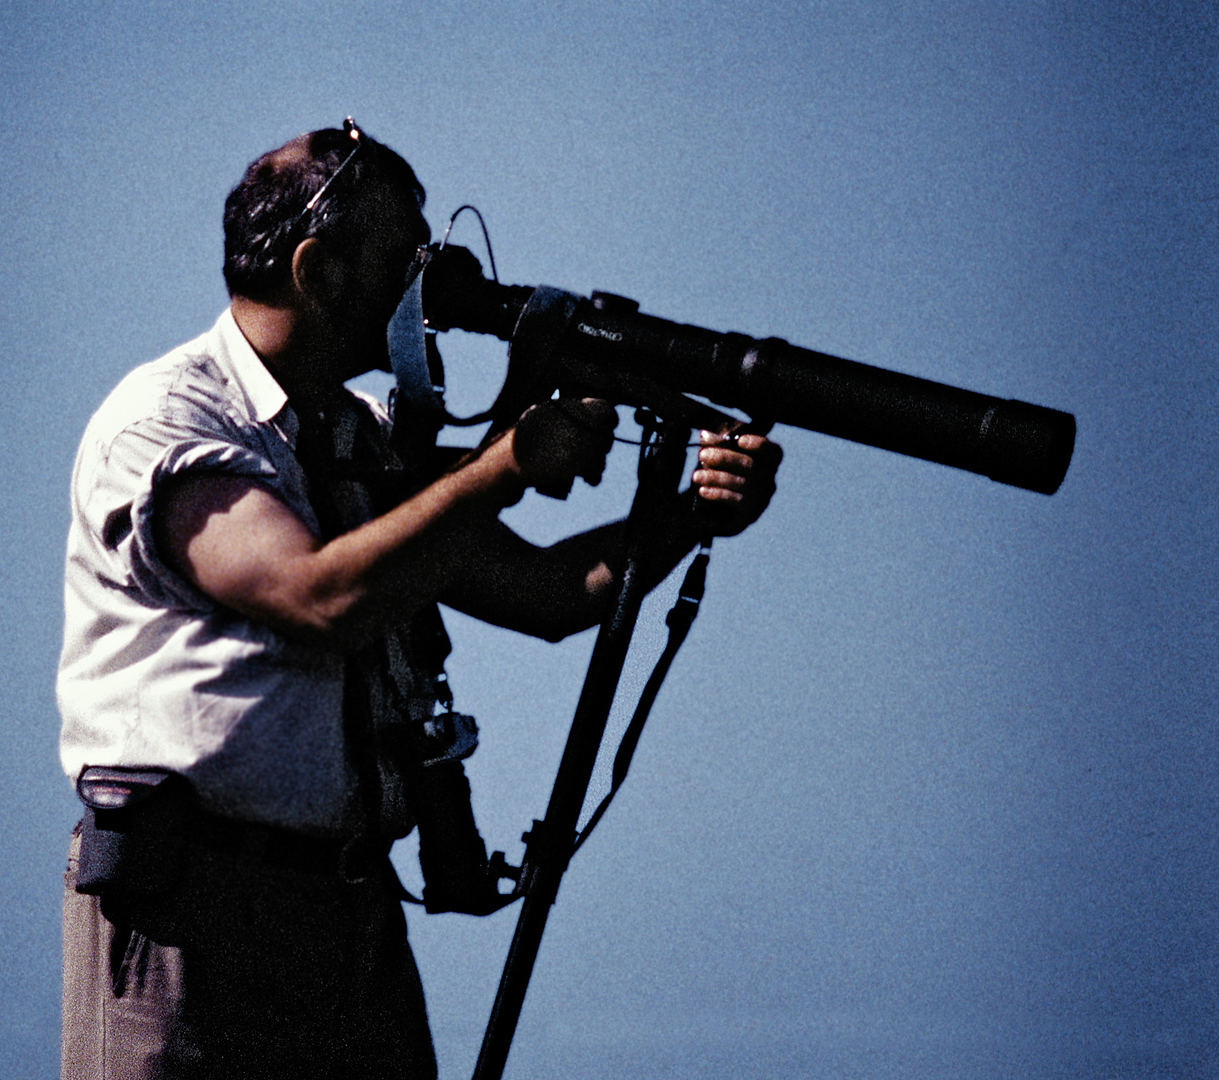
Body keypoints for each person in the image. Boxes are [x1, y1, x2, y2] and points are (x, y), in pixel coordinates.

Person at [56, 122, 781, 1080]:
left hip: (348, 913)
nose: (432, 291)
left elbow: (548, 593)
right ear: (318, 271)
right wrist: (504, 468)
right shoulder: (170, 422)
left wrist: (693, 511)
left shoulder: (353, 438)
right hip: (190, 915)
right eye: (407, 259)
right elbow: (320, 598)